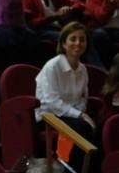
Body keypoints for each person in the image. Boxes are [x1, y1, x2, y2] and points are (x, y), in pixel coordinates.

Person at [35, 22, 97, 152]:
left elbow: (82, 99)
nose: (78, 43)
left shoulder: (83, 69)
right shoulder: (53, 66)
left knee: (101, 127)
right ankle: (70, 168)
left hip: (71, 116)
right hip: (49, 117)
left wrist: (80, 114)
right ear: (64, 43)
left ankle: (91, 170)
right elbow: (52, 102)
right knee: (82, 128)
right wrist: (79, 115)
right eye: (73, 39)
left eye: (82, 40)